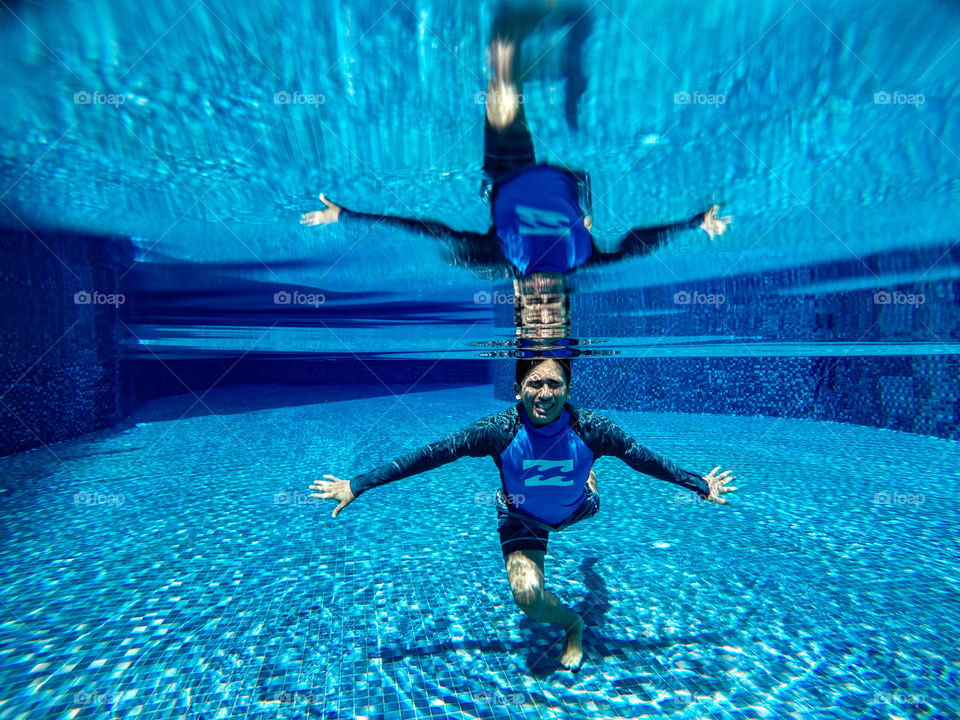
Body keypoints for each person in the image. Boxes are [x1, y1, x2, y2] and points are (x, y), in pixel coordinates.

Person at [310, 357, 737, 671]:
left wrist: (700, 485)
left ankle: (587, 477)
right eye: (535, 383)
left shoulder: (594, 428)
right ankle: (573, 625)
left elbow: (646, 460)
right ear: (518, 390)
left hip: (578, 509)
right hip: (522, 518)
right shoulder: (497, 431)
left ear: (568, 388)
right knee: (529, 598)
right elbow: (432, 454)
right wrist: (357, 484)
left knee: (586, 497)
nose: (545, 393)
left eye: (554, 383)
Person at [300, 3, 732, 280]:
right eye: (553, 309)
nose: (543, 301)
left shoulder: (502, 256)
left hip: (509, 169)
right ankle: (558, 40)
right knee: (507, 63)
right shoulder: (582, 259)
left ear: (521, 300)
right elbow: (638, 244)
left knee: (502, 59)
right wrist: (695, 222)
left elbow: (430, 231)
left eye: (533, 309)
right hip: (572, 178)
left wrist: (346, 215)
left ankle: (544, 36)